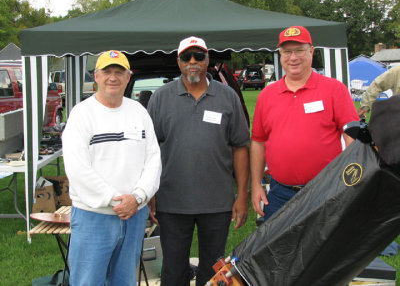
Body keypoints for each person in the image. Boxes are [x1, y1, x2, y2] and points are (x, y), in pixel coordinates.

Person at [147, 36, 250, 286]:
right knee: (173, 270)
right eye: (186, 57)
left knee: (214, 271)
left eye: (198, 56)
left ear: (207, 60)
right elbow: (148, 151)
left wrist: (242, 196)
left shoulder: (227, 97)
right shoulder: (161, 98)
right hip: (172, 202)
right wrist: (150, 194)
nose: (192, 62)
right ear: (178, 62)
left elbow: (240, 147)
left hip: (217, 203)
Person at [62, 50, 161, 285]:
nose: (113, 78)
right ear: (96, 76)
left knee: (125, 280)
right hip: (93, 217)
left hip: (134, 216)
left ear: (128, 77)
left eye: (119, 72)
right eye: (107, 72)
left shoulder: (139, 112)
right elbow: (77, 169)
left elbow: (154, 159)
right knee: (88, 281)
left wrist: (138, 197)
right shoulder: (81, 115)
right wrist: (117, 200)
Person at [251, 26, 359, 221]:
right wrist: (256, 185)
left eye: (299, 50)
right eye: (287, 51)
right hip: (279, 193)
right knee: (281, 250)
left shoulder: (334, 89)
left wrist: (351, 179)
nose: (293, 57)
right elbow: (258, 141)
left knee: (324, 248)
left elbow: (352, 135)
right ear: (280, 54)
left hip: (326, 190)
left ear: (311, 51)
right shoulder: (267, 95)